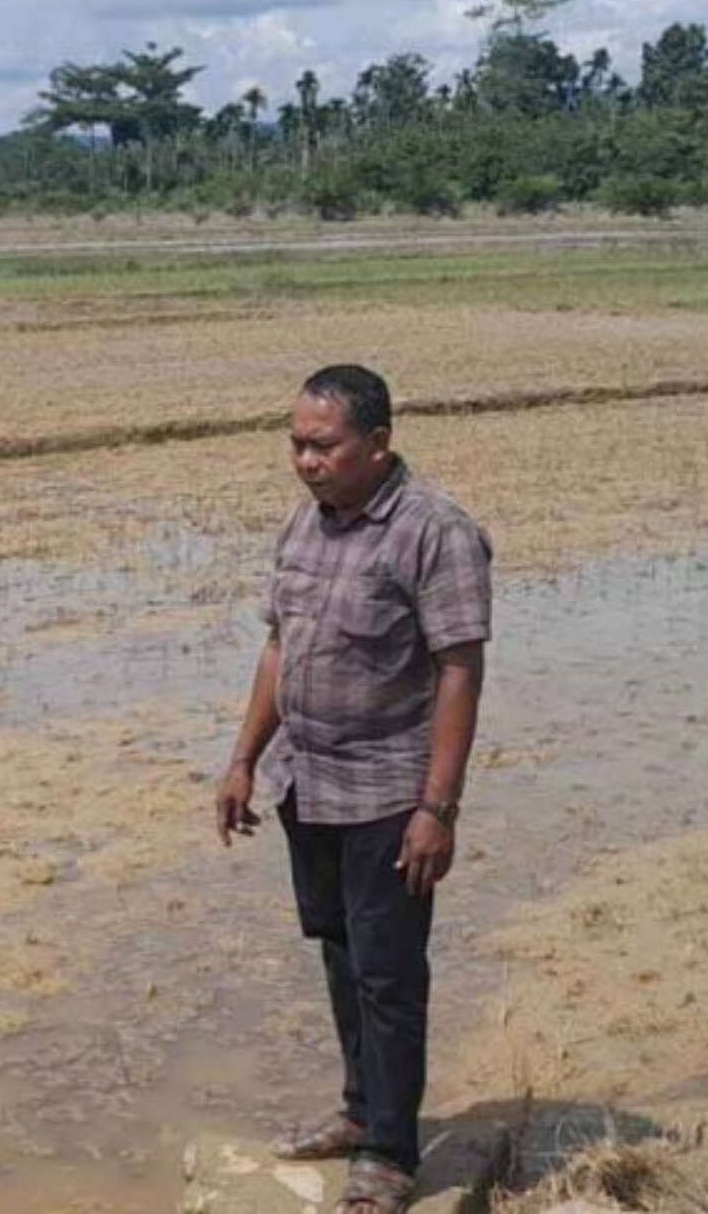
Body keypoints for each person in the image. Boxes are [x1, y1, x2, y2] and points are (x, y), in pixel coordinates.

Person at [215, 363, 491, 1214]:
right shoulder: (307, 525)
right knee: (340, 957)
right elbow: (278, 647)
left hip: (386, 797)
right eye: (296, 443)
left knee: (389, 974)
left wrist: (436, 809)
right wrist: (242, 759)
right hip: (311, 785)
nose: (305, 460)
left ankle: (389, 1152)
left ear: (378, 443)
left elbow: (458, 670)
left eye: (322, 444)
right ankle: (359, 1108)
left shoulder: (434, 531)